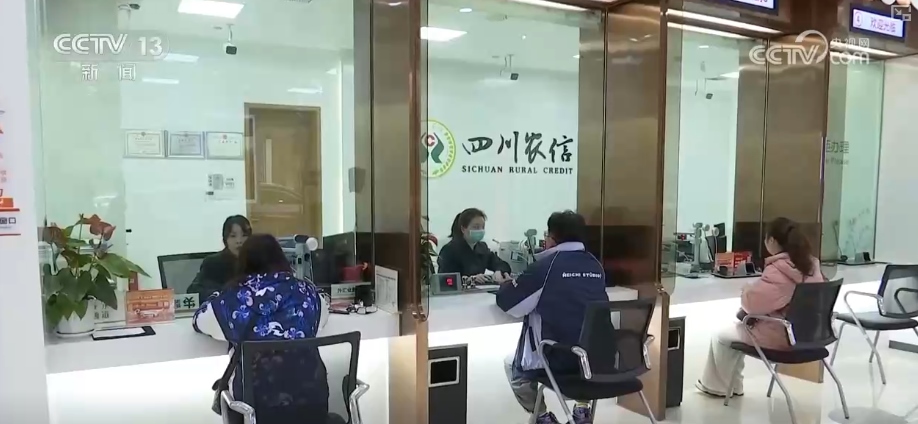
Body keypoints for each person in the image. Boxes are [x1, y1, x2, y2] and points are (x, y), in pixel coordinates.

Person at [193, 234, 331, 423]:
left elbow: (199, 321)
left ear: (243, 263)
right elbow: (322, 317)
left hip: (255, 411)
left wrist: (216, 295)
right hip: (311, 406)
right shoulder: (307, 292)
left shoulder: (232, 299)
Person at [495, 211, 608, 424]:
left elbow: (513, 306)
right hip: (596, 360)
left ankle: (542, 417)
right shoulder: (595, 264)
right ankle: (582, 409)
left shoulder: (546, 266)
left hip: (559, 360)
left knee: (513, 365)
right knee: (582, 343)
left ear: (552, 237)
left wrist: (504, 285)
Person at [696, 217, 825, 397]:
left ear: (772, 240)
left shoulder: (779, 270)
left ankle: (719, 387)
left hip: (781, 337)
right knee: (738, 330)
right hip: (810, 335)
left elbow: (752, 306)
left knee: (721, 335)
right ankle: (734, 385)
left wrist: (747, 290)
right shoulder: (812, 266)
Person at [437, 208, 511, 282]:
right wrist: (469, 279)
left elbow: (501, 264)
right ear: (463, 229)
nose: (480, 230)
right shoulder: (449, 250)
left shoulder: (482, 248)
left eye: (483, 227)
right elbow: (444, 279)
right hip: (460, 289)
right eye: (476, 227)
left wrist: (499, 271)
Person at [187, 215, 252, 299]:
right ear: (225, 239)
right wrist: (223, 293)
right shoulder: (213, 263)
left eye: (244, 235)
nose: (239, 241)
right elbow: (194, 290)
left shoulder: (258, 262)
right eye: (233, 236)